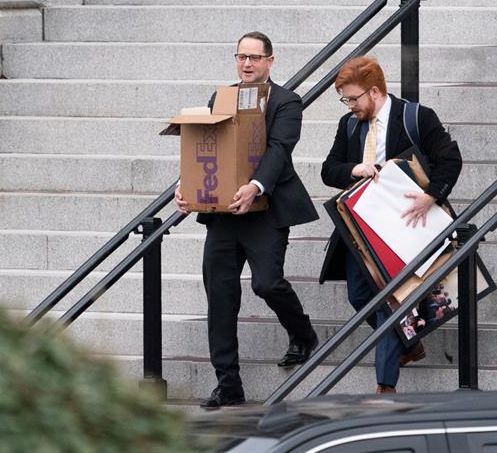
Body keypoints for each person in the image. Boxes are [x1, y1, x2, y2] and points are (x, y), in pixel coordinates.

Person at [175, 31, 319, 409]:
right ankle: (228, 385)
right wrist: (188, 186)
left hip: (266, 210)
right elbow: (207, 147)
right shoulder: (221, 98)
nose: (247, 63)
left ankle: (303, 333)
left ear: (270, 60)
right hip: (224, 215)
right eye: (241, 56)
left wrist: (255, 187)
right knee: (220, 299)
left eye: (255, 57)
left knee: (267, 284)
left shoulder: (287, 101)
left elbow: (279, 150)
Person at [319, 56, 462, 394]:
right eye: (345, 100)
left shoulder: (416, 117)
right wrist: (354, 169)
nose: (349, 106)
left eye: (353, 99)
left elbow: (450, 159)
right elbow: (328, 170)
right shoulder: (349, 125)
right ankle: (407, 342)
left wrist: (430, 196)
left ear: (374, 92)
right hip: (363, 230)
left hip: (406, 226)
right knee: (359, 295)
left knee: (390, 301)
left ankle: (385, 387)